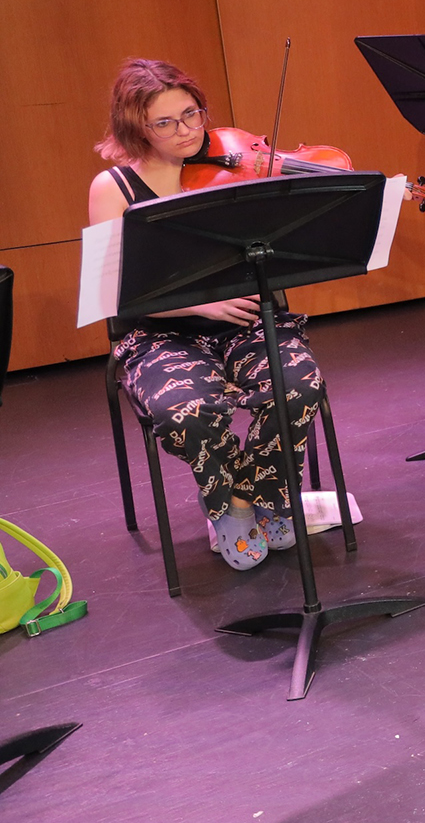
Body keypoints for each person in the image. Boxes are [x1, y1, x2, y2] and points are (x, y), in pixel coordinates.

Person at [87, 59, 330, 572]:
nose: (187, 132)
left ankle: (267, 493)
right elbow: (115, 287)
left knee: (299, 384)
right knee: (184, 408)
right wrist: (200, 303)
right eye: (166, 123)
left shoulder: (233, 164)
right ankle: (230, 507)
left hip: (243, 320)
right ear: (135, 127)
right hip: (158, 333)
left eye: (192, 114)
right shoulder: (113, 188)